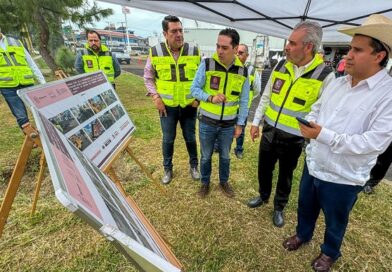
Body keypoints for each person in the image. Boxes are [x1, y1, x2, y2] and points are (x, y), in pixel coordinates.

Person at [282, 14, 392, 272]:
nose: (347, 55)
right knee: (305, 206)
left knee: (336, 219)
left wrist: (321, 135)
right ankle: (303, 234)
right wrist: (309, 120)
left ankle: (330, 252)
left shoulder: (387, 94)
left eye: (356, 50)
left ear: (379, 56)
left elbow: (373, 142)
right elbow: (317, 107)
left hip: (344, 176)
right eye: (349, 49)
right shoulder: (338, 83)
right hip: (316, 162)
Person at [248, 21, 335, 228]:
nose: (287, 46)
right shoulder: (280, 65)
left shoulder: (325, 76)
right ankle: (263, 196)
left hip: (294, 138)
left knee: (286, 175)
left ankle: (279, 207)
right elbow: (267, 95)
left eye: (292, 43)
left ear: (308, 47)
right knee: (264, 168)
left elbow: (324, 112)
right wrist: (255, 122)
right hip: (269, 130)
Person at [191, 28, 250, 198]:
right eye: (218, 46)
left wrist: (240, 124)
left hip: (228, 125)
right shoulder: (207, 64)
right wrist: (210, 97)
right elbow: (194, 89)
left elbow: (245, 101)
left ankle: (224, 182)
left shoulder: (242, 71)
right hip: (207, 122)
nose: (219, 51)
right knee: (206, 156)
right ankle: (205, 183)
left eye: (224, 48)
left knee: (225, 156)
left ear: (235, 48)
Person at [143, 15, 201, 184]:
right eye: (174, 31)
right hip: (166, 107)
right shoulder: (155, 52)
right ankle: (167, 169)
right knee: (168, 139)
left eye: (181, 30)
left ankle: (194, 166)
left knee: (190, 137)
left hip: (189, 105)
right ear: (165, 34)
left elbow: (203, 79)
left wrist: (198, 99)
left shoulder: (194, 51)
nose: (179, 35)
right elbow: (148, 77)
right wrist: (155, 97)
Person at [0, 29, 46, 136]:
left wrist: (42, 81)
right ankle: (33, 139)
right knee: (21, 116)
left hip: (27, 82)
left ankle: (48, 133)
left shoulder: (15, 41)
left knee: (39, 109)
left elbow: (30, 62)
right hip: (8, 87)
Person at [233, 44, 261, 159]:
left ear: (247, 55)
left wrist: (247, 99)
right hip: (230, 105)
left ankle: (239, 149)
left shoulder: (251, 71)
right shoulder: (230, 67)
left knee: (241, 127)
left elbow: (257, 90)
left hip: (244, 107)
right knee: (224, 125)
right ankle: (217, 146)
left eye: (241, 53)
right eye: (236, 52)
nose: (238, 55)